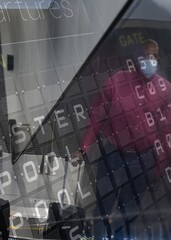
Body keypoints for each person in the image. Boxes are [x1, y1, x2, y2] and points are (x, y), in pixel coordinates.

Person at [77, 39, 171, 238]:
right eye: (146, 56)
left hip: (143, 159)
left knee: (129, 209)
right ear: (138, 59)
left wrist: (159, 166)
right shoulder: (118, 80)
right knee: (103, 204)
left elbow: (166, 132)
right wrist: (84, 146)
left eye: (154, 57)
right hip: (113, 154)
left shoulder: (165, 90)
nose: (150, 61)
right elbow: (97, 115)